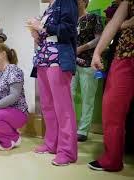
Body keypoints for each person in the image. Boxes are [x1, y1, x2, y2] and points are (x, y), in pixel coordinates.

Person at [27, 0, 78, 166]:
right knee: (48, 106)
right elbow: (46, 35)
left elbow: (69, 30)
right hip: (43, 60)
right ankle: (51, 144)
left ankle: (67, 151)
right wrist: (36, 33)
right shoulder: (49, 7)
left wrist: (42, 27)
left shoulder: (67, 1)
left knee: (63, 108)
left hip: (58, 60)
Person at [88, 0, 134, 172]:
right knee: (111, 108)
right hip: (125, 55)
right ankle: (112, 159)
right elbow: (114, 24)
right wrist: (97, 52)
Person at [71, 0, 103, 142]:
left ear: (85, 2)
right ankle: (69, 126)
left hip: (89, 63)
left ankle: (83, 130)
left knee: (87, 98)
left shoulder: (94, 18)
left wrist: (81, 48)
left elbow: (99, 39)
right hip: (71, 64)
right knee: (68, 95)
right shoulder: (71, 20)